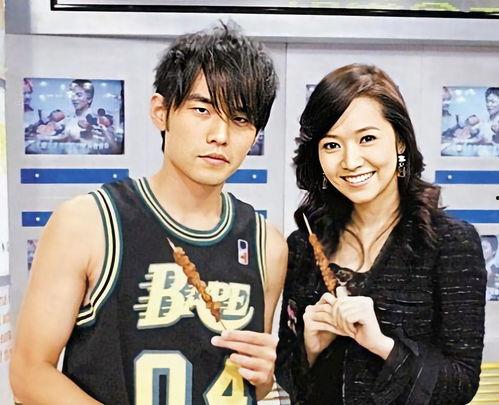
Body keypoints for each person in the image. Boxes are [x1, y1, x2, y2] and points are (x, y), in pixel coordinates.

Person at [10, 22, 287, 404]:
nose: (220, 135)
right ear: (161, 111)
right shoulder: (88, 223)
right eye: (202, 109)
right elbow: (29, 373)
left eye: (240, 119)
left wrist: (264, 375)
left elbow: (250, 381)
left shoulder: (266, 244)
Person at [276, 63, 486, 404]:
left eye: (367, 139)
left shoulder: (451, 243)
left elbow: (461, 383)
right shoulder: (303, 245)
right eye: (332, 145)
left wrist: (383, 345)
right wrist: (310, 347)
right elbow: (287, 374)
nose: (350, 161)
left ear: (400, 141)